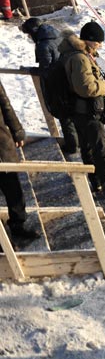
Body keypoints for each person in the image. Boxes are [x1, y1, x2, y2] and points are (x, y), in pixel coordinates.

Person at [58, 21, 105, 200]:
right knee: (103, 150)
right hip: (86, 112)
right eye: (98, 42)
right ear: (90, 40)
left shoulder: (76, 54)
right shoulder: (79, 58)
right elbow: (86, 88)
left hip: (80, 111)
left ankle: (97, 183)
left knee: (89, 148)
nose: (100, 45)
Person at [20, 18, 79, 155]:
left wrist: (30, 70)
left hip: (57, 84)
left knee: (65, 117)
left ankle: (72, 146)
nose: (29, 37)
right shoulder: (56, 35)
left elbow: (46, 70)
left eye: (29, 34)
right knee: (73, 114)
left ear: (34, 32)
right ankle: (79, 141)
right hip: (68, 79)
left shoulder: (43, 45)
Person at [0, 81, 39, 248]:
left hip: (1, 144)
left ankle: (17, 224)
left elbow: (5, 104)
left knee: (13, 188)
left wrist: (17, 131)